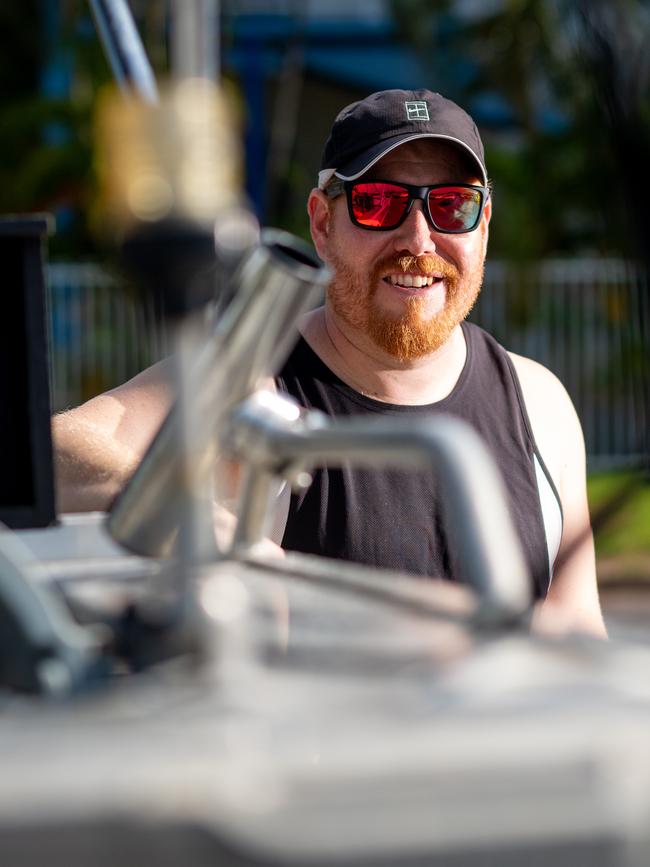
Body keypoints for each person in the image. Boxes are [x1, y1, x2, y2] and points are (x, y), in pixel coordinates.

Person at [52, 88, 606, 637]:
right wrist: (191, 516)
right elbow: (47, 452)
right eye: (378, 204)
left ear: (483, 226)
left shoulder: (540, 405)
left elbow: (582, 644)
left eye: (452, 206)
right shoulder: (251, 387)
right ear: (321, 224)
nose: (418, 239)